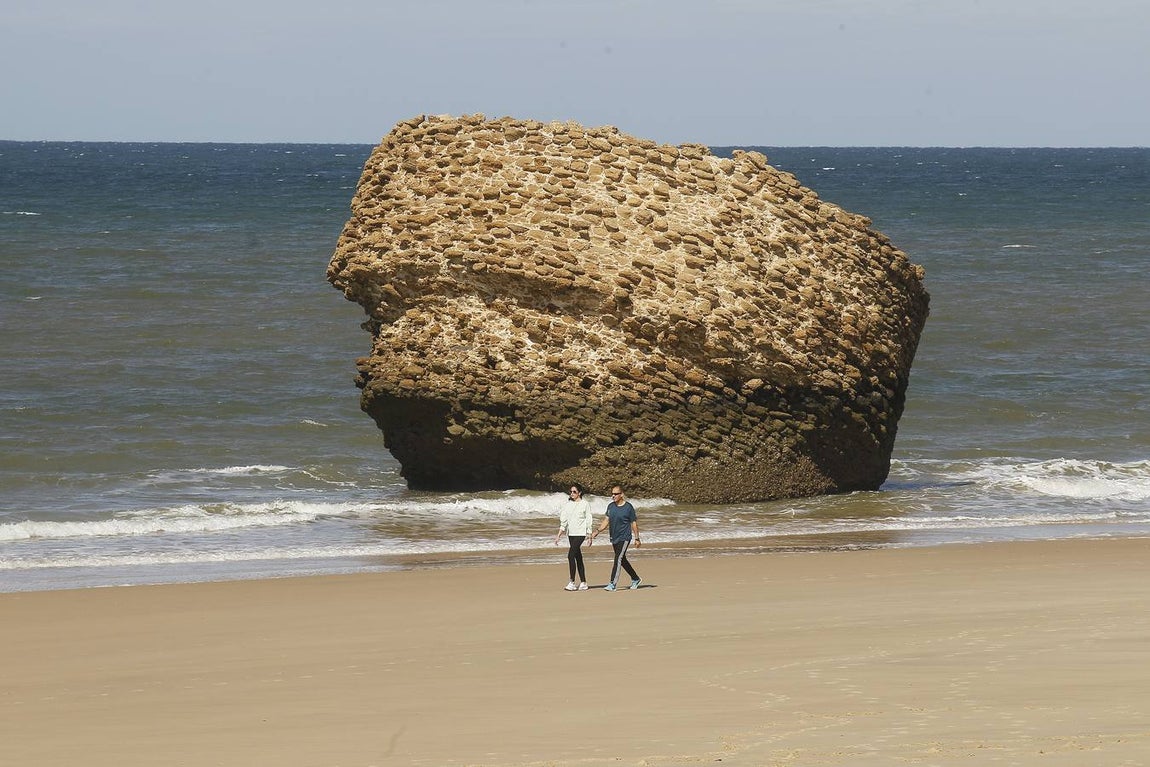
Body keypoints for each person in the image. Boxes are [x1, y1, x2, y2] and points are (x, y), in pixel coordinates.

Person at [590, 484, 641, 591]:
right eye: (612, 494)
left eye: (616, 494)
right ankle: (635, 578)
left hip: (625, 537)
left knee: (618, 559)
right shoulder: (611, 506)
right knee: (622, 560)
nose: (613, 496)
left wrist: (637, 538)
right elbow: (606, 521)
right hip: (614, 537)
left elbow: (634, 523)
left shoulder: (628, 507)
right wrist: (597, 531)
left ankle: (612, 584)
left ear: (621, 494)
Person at [555, 483, 593, 591]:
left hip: (581, 534)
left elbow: (588, 519)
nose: (572, 494)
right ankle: (584, 582)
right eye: (571, 492)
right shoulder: (568, 505)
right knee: (578, 557)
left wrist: (589, 535)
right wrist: (558, 535)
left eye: (574, 492)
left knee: (570, 555)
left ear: (579, 493)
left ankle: (572, 582)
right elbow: (564, 521)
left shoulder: (585, 504)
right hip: (570, 533)